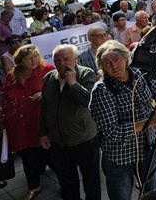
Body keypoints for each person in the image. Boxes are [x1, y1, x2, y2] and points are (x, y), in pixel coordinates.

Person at [89, 40, 156, 200]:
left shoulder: (139, 74)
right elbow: (112, 133)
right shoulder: (102, 90)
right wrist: (152, 121)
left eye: (116, 59)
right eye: (107, 63)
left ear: (126, 57)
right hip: (120, 158)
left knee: (153, 195)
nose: (113, 65)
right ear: (102, 66)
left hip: (147, 148)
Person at [39, 44, 100, 200]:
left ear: (76, 60)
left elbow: (88, 101)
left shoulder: (86, 74)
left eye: (66, 59)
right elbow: (45, 107)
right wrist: (43, 133)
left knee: (91, 180)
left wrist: (73, 83)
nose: (62, 64)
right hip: (59, 142)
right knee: (67, 182)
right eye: (57, 60)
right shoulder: (49, 78)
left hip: (84, 139)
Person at [0, 45, 54, 199]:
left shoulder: (47, 70)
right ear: (20, 61)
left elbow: (58, 90)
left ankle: (63, 181)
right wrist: (2, 118)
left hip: (39, 123)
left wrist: (45, 94)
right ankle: (34, 186)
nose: (34, 60)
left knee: (47, 154)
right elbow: (4, 96)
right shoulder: (12, 75)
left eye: (36, 56)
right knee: (27, 156)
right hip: (18, 125)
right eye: (29, 58)